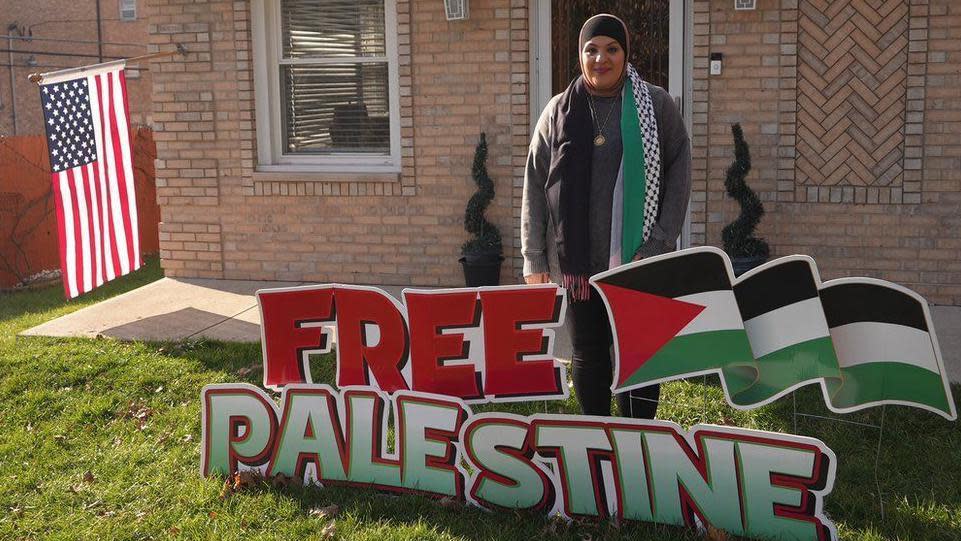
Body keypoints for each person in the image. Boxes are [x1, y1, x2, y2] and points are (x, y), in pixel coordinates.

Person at [521, 14, 692, 419]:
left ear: (625, 53)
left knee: (642, 357)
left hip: (640, 261)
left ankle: (636, 444)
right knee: (588, 353)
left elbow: (679, 172)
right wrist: (534, 256)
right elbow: (534, 181)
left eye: (611, 49)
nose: (601, 58)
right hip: (579, 264)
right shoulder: (558, 111)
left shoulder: (656, 104)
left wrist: (659, 244)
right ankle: (599, 441)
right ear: (580, 56)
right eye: (591, 49)